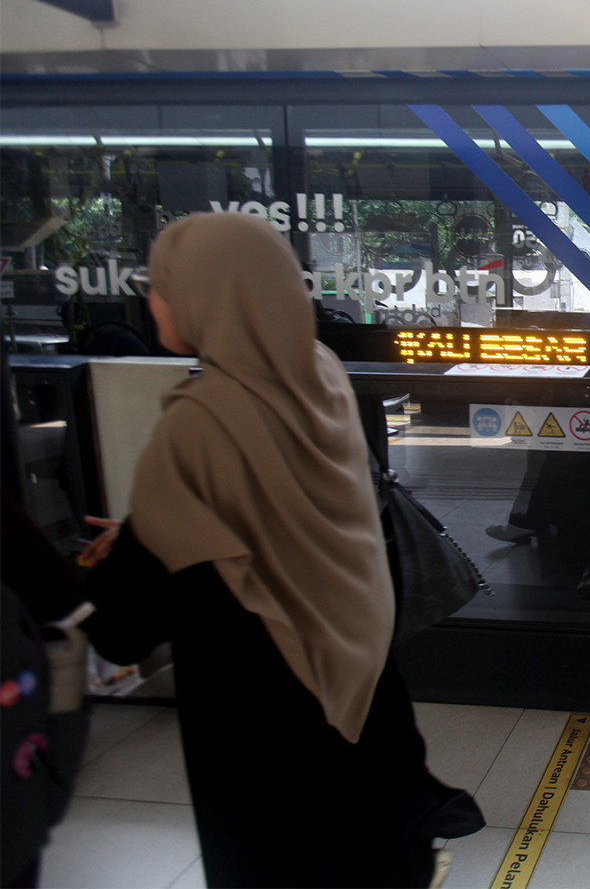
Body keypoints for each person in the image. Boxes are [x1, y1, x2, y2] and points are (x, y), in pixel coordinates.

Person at [78, 213, 480, 888]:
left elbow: (122, 627)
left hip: (266, 742)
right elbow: (271, 520)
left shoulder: (201, 426)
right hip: (363, 712)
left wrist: (135, 542)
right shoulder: (322, 379)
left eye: (164, 285)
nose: (151, 299)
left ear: (212, 295)